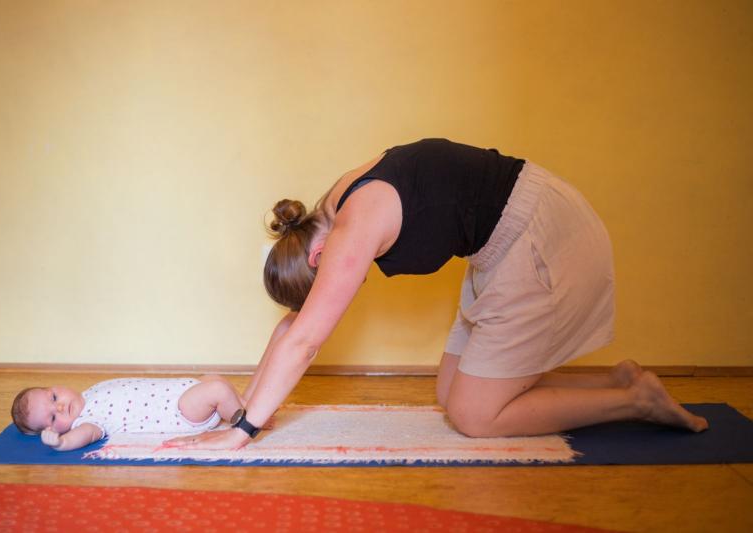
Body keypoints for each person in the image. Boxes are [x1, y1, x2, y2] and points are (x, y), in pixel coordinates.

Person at [167, 138, 708, 451]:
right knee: (451, 395)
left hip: (541, 235)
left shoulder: (354, 226)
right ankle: (617, 379)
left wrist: (242, 432)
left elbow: (306, 338)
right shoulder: (333, 209)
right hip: (498, 250)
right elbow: (294, 328)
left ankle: (636, 401)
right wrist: (236, 407)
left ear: (316, 257)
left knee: (475, 416)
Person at [11, 375, 255, 451]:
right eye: (54, 417)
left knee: (213, 379)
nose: (61, 406)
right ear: (53, 429)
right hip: (179, 411)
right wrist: (61, 443)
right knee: (218, 389)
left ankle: (239, 404)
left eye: (54, 398)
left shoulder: (88, 393)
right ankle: (246, 420)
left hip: (180, 389)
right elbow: (83, 436)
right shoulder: (89, 421)